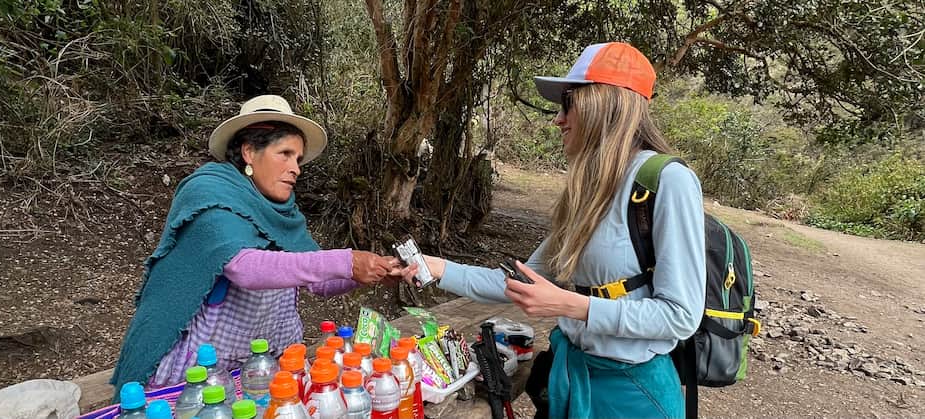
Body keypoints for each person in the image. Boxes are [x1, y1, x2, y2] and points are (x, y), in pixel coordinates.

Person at [412, 43, 706, 419]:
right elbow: (522, 282)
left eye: (568, 102)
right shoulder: (588, 190)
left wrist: (568, 305)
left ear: (602, 104)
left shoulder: (667, 181)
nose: (558, 119)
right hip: (574, 379)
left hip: (631, 394)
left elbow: (680, 316)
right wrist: (436, 268)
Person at [111, 95, 408, 392]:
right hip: (198, 373)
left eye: (298, 159)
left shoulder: (283, 214)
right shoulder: (210, 192)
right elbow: (246, 269)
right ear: (250, 152)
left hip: (259, 368)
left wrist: (372, 272)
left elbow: (319, 282)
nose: (296, 168)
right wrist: (346, 261)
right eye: (285, 154)